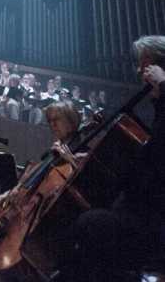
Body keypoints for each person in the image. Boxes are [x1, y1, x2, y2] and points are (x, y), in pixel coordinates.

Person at [67, 35, 165, 282]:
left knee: (90, 224)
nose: (141, 73)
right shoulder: (158, 110)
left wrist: (164, 88)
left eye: (147, 66)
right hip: (139, 210)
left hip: (154, 221)